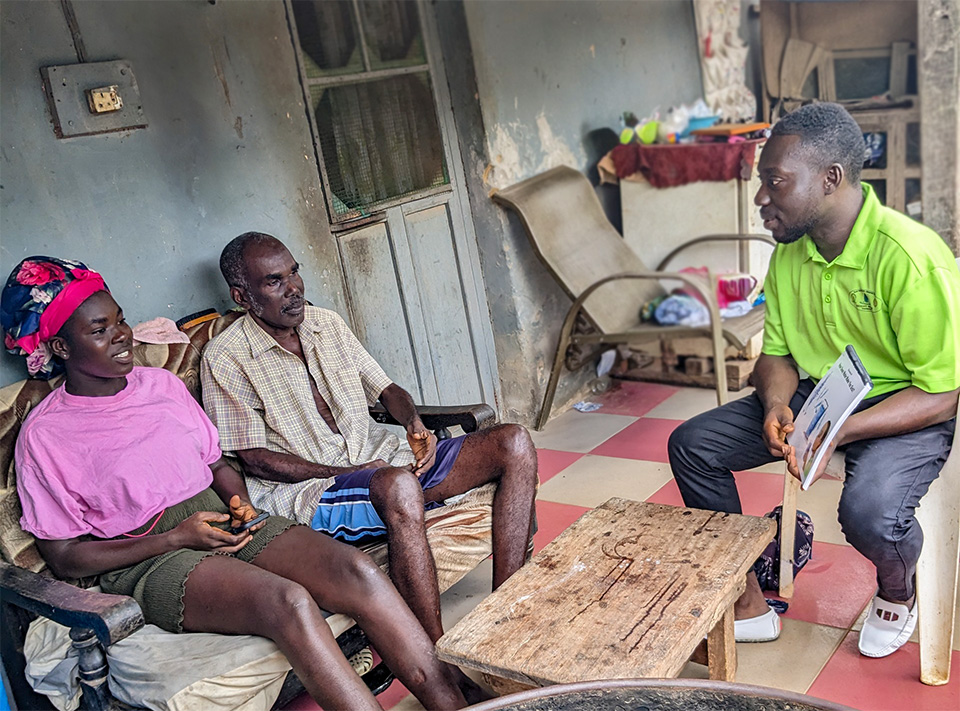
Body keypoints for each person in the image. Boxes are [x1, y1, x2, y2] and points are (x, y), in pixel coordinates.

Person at [3, 257, 467, 711]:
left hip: (224, 520)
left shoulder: (161, 386)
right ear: (62, 349)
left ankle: (453, 704)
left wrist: (240, 503)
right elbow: (65, 559)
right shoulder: (47, 435)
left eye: (120, 320)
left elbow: (217, 464)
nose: (122, 336)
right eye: (100, 330)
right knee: (288, 602)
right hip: (150, 558)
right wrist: (175, 537)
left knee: (358, 571)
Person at [668, 102, 960, 658]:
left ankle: (898, 589)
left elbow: (943, 393)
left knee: (870, 512)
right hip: (821, 394)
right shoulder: (790, 255)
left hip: (907, 404)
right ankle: (747, 598)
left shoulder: (909, 257)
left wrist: (836, 435)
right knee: (692, 445)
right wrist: (778, 402)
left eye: (775, 182)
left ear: (831, 179)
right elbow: (775, 353)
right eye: (762, 183)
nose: (761, 199)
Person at [200, 233, 539, 650]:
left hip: (381, 463)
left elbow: (387, 390)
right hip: (315, 490)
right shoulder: (226, 357)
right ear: (242, 296)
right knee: (397, 485)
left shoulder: (326, 323)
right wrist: (349, 473)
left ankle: (510, 611)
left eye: (294, 273)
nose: (294, 290)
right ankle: (438, 654)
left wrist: (414, 423)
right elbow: (254, 460)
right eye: (274, 282)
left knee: (514, 442)